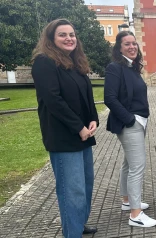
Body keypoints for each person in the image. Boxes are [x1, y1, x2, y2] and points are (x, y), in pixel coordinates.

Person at [31, 19, 98, 237]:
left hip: (83, 134)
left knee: (86, 184)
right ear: (51, 39)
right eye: (62, 35)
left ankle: (78, 223)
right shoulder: (44, 62)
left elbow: (86, 95)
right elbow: (53, 100)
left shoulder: (75, 63)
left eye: (72, 34)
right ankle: (72, 232)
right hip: (63, 136)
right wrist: (79, 127)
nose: (69, 38)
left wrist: (93, 119)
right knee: (72, 190)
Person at [104, 31, 156, 228]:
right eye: (127, 44)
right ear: (119, 48)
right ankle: (136, 214)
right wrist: (129, 120)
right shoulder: (115, 68)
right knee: (138, 167)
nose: (132, 47)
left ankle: (127, 201)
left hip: (138, 122)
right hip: (130, 123)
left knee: (128, 164)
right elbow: (109, 98)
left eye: (134, 43)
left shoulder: (132, 68)